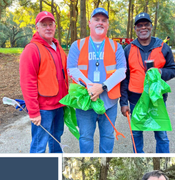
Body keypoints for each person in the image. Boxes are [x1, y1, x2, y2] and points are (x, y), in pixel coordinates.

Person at [67, 8, 126, 153]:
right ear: (90, 23)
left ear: (107, 24)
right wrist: (90, 87)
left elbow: (121, 71)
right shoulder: (78, 45)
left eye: (104, 20)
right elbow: (72, 69)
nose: (100, 23)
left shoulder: (116, 46)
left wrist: (103, 87)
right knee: (86, 137)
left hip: (109, 103)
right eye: (97, 19)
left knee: (107, 136)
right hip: (85, 103)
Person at [120, 13, 175, 154]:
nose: (143, 27)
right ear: (135, 28)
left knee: (161, 135)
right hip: (135, 100)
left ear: (151, 26)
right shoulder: (128, 49)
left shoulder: (163, 47)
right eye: (140, 25)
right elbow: (124, 78)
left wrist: (160, 72)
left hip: (157, 100)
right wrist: (123, 102)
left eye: (146, 24)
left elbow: (172, 70)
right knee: (136, 134)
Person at [19, 11, 69, 153]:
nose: (48, 27)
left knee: (56, 139)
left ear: (54, 26)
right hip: (43, 109)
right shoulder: (32, 50)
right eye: (44, 24)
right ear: (37, 27)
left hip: (59, 105)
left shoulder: (58, 47)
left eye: (50, 24)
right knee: (39, 144)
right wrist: (33, 111)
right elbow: (27, 82)